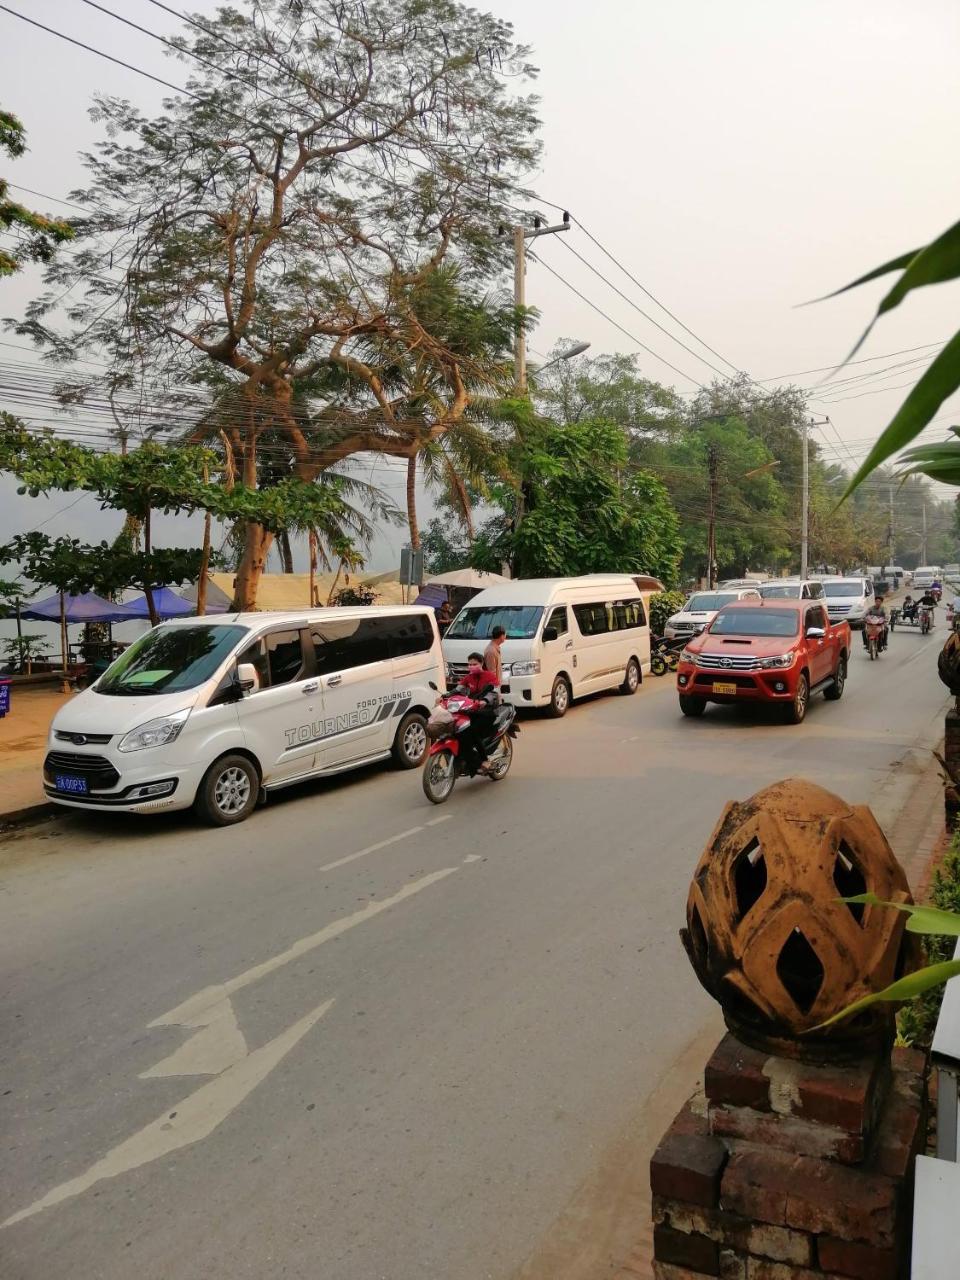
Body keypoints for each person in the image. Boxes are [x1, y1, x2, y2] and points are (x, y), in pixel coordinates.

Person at [452, 652, 500, 775]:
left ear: (481, 664)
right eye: (469, 664)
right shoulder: (468, 678)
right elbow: (457, 690)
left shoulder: (490, 676)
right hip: (472, 710)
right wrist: (445, 696)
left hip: (487, 712)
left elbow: (494, 692)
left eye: (474, 664)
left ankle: (484, 760)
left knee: (471, 731)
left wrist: (485, 701)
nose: (471, 667)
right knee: (459, 731)